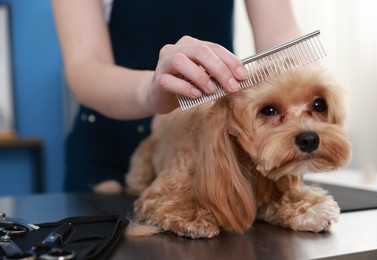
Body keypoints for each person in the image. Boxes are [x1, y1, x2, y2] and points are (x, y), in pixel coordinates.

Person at [51, 0, 301, 191]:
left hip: (215, 148)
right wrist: (150, 92)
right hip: (110, 157)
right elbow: (84, 65)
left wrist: (297, 97)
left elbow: (278, 34)